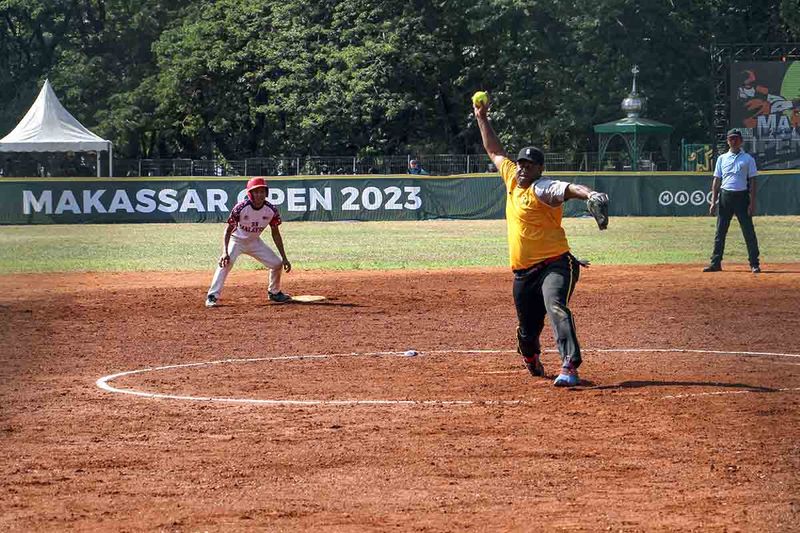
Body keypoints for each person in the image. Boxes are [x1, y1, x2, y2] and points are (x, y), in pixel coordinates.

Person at [473, 97, 609, 387]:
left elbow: (569, 188)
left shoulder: (543, 188)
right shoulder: (512, 178)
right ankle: (530, 355)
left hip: (555, 265)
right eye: (521, 163)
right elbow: (495, 150)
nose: (522, 168)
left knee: (555, 306)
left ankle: (570, 365)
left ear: (539, 169)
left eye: (529, 165)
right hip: (523, 272)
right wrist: (482, 118)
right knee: (527, 330)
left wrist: (591, 195)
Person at [205, 177, 292, 307]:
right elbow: (228, 230)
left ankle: (274, 292)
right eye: (256, 192)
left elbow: (276, 233)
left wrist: (284, 257)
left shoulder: (271, 210)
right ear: (250, 194)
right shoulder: (241, 208)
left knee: (276, 264)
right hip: (237, 240)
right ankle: (212, 296)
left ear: (266, 193)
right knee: (225, 263)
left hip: (254, 241)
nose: (259, 195)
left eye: (262, 191)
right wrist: (225, 252)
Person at [703, 128, 760, 273]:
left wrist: (752, 202)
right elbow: (716, 181)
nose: (733, 141)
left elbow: (753, 181)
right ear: (728, 141)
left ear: (741, 141)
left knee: (748, 231)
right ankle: (716, 263)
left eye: (736, 138)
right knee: (720, 231)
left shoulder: (748, 159)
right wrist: (713, 201)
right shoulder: (722, 158)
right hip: (725, 196)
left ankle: (754, 263)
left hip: (741, 196)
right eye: (731, 139)